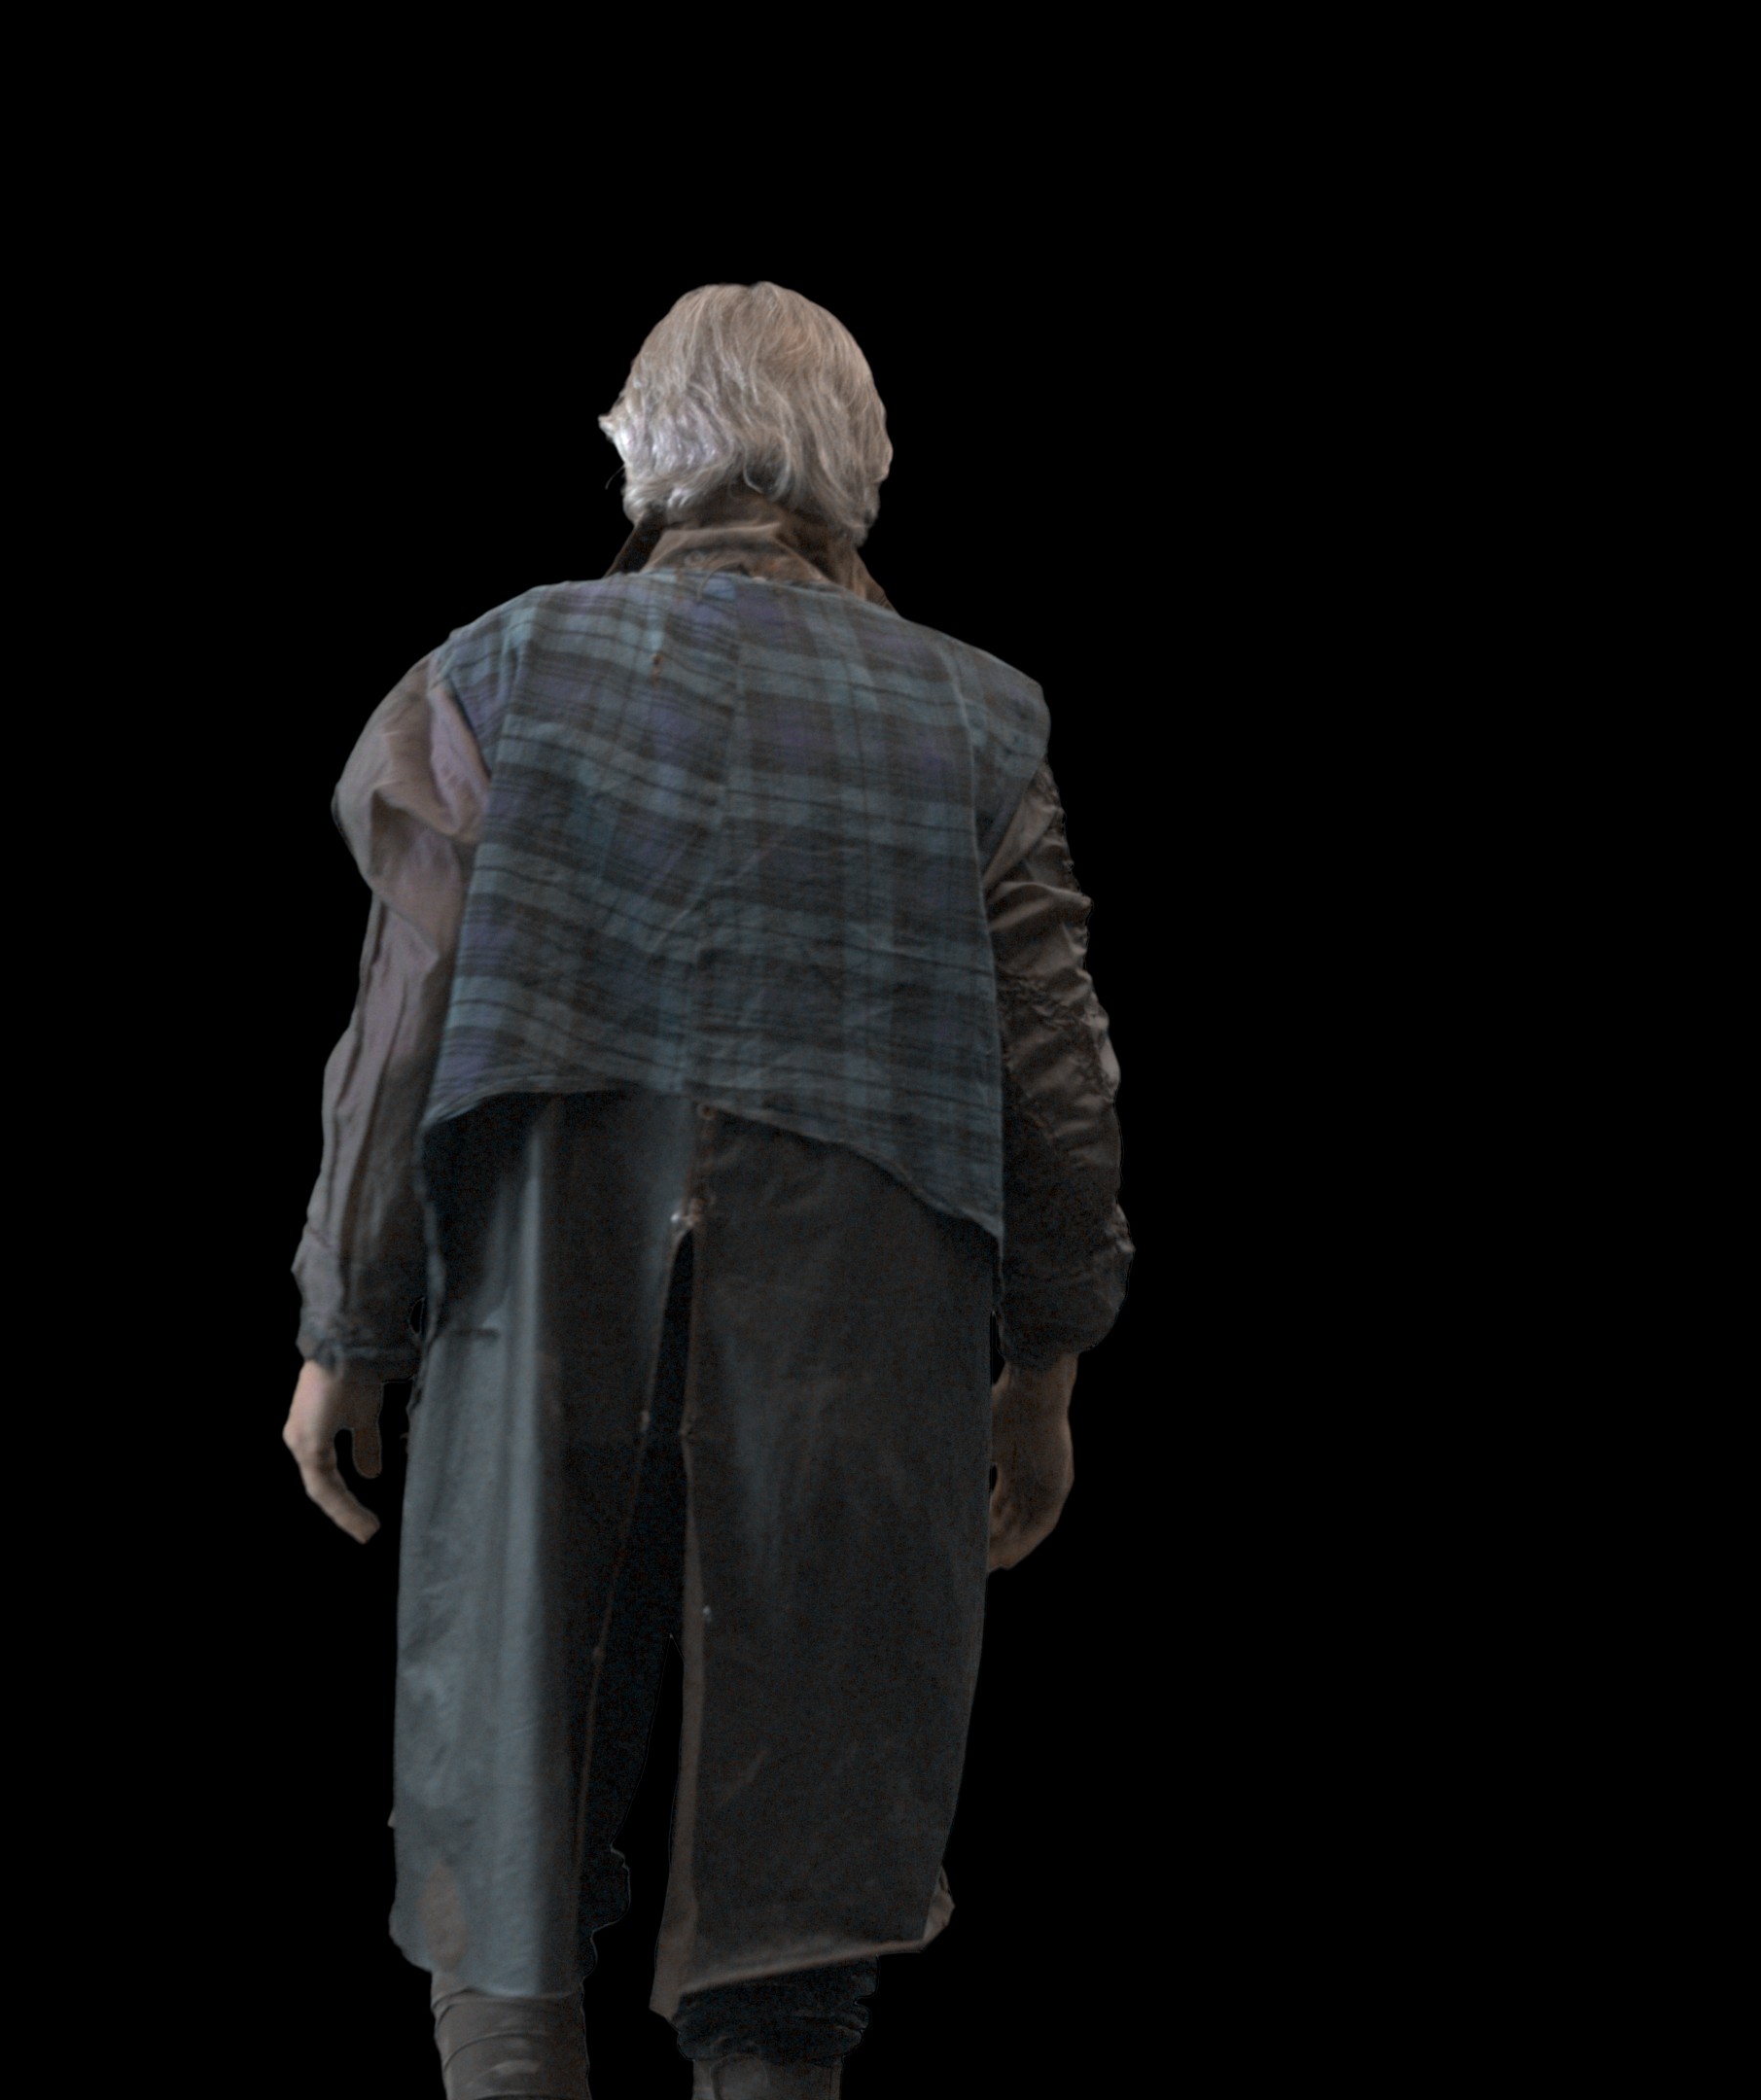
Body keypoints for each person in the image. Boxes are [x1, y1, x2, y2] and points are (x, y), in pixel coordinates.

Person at [281, 282, 1130, 2100]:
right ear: (859, 464)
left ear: (641, 450)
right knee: (798, 1911)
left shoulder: (494, 672)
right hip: (859, 1347)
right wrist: (1047, 1366)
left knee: (506, 1848)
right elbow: (1057, 1083)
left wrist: (347, 1327)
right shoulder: (977, 722)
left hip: (540, 1319)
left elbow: (401, 1022)